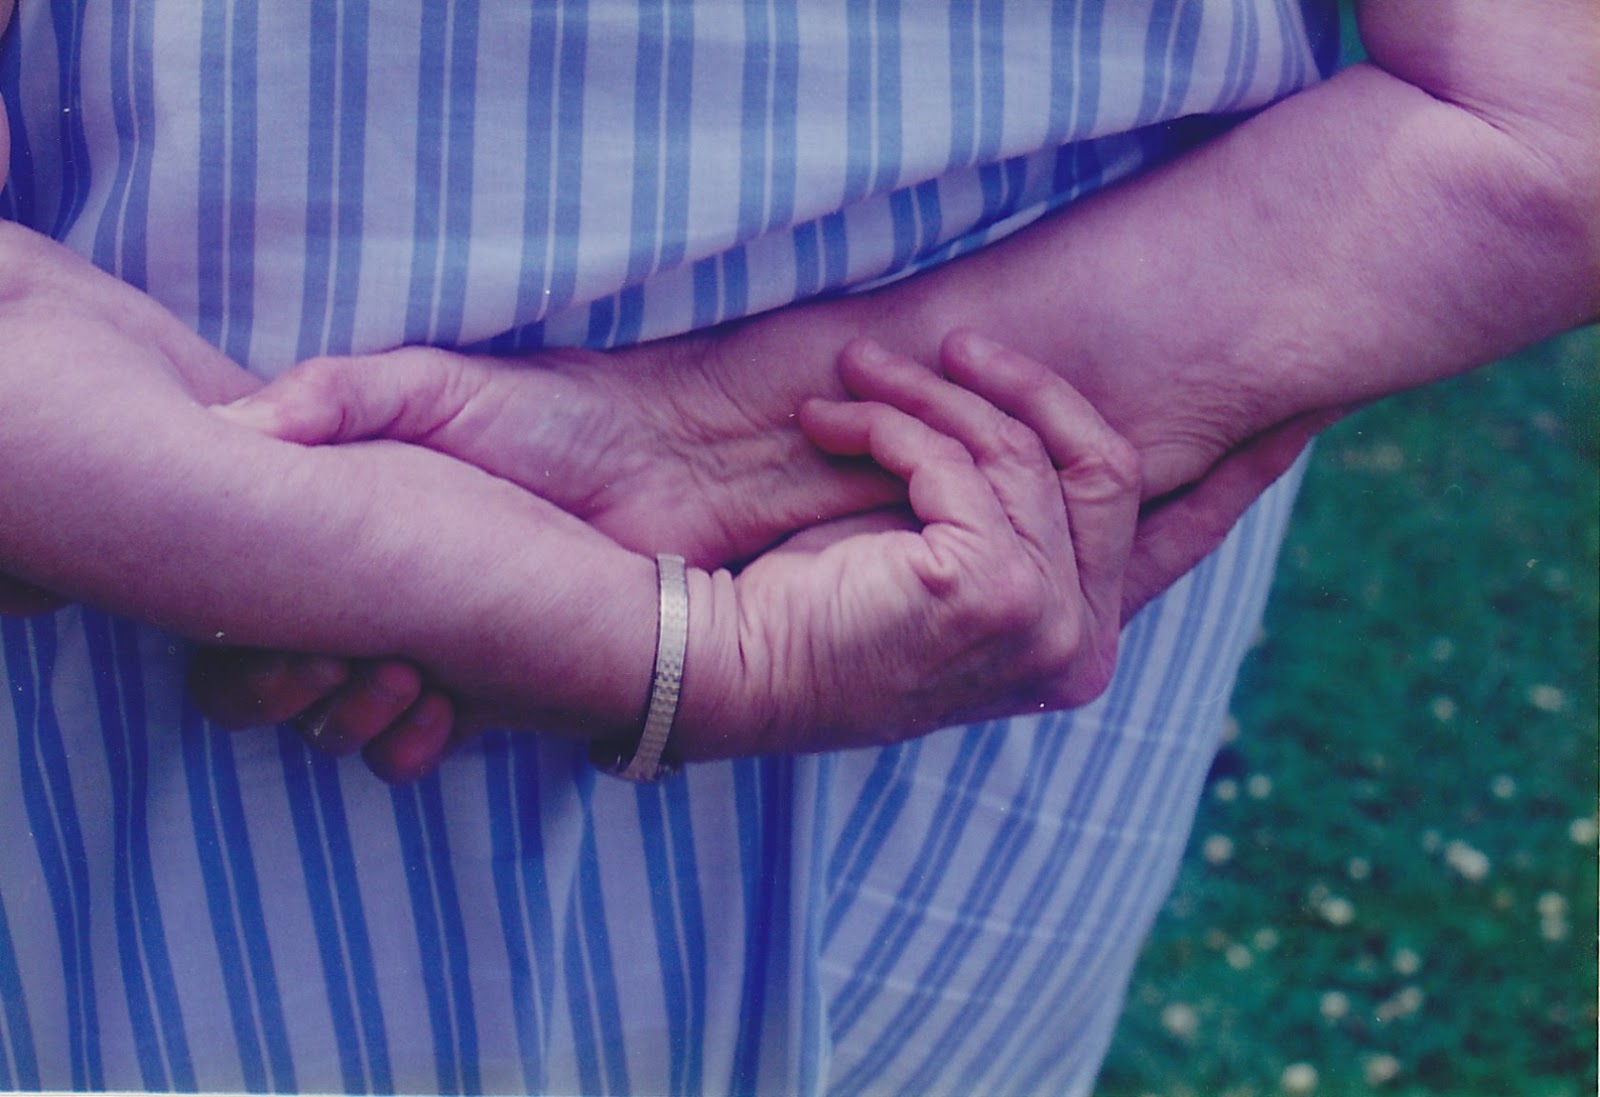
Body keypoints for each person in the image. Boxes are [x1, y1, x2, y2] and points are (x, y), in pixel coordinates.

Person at [1, 2, 1594, 1094]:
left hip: (961, 619)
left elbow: (1544, 124)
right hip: (117, 660)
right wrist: (683, 616)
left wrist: (717, 451)